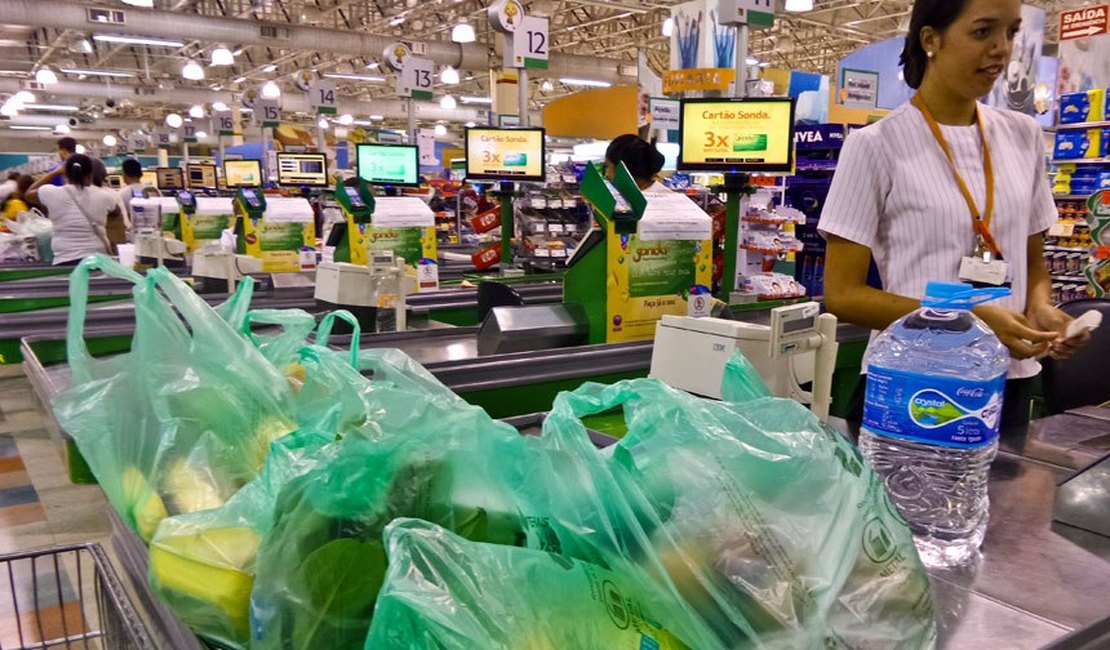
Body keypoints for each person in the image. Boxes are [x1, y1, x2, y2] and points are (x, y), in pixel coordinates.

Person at [819, 0, 1091, 427]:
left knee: (1007, 494)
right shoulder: (875, 145)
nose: (1002, 49)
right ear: (931, 40)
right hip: (912, 385)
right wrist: (966, 322)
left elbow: (1033, 263)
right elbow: (842, 295)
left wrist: (1041, 309)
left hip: (1009, 378)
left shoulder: (1023, 137)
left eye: (1011, 33)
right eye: (983, 32)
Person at [25, 154, 117, 265]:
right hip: (97, 259)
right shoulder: (105, 196)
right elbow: (116, 211)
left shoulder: (51, 193)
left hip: (64, 259)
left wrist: (55, 172)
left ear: (66, 173)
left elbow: (28, 194)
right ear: (91, 173)